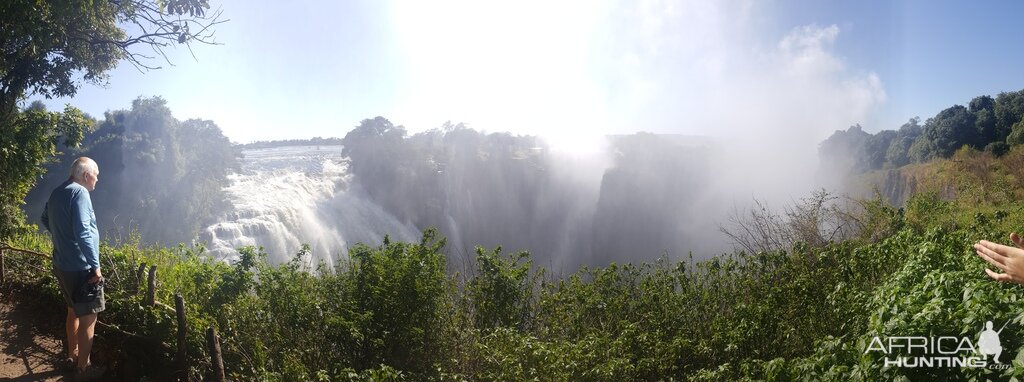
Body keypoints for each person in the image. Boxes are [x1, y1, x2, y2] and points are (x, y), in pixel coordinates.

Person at [40, 157, 105, 379]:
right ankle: (83, 369)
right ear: (86, 175)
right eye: (96, 175)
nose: (97, 180)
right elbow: (84, 231)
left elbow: (45, 218)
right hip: (80, 267)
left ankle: (72, 355)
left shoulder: (58, 191)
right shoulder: (80, 193)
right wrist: (95, 265)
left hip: (62, 264)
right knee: (89, 318)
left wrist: (62, 238)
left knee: (72, 311)